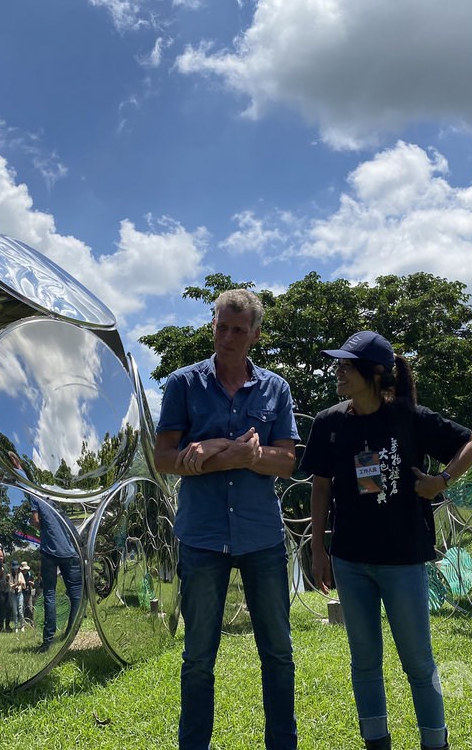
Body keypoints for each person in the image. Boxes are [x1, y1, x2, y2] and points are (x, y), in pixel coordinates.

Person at [304, 332, 472, 750]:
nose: (339, 371)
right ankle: (376, 742)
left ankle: (434, 743)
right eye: (339, 363)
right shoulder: (329, 423)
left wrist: (440, 482)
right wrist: (318, 549)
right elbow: (320, 487)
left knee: (418, 662)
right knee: (364, 663)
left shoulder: (409, 417)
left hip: (403, 559)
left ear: (376, 373)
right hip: (350, 560)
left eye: (348, 365)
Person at [154, 288, 299, 750]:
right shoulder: (183, 384)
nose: (229, 337)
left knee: (278, 654)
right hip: (202, 536)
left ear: (256, 334)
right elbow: (164, 459)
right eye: (222, 326)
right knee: (198, 657)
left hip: (262, 537)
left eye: (240, 329)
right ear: (212, 325)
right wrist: (236, 451)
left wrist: (217, 450)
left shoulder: (276, 388)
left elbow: (287, 461)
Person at [30, 496, 84, 652]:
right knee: (76, 595)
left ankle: (47, 642)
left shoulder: (35, 496)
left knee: (50, 594)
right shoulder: (57, 501)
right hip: (69, 551)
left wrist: (37, 525)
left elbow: (35, 521)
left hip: (49, 551)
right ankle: (71, 633)